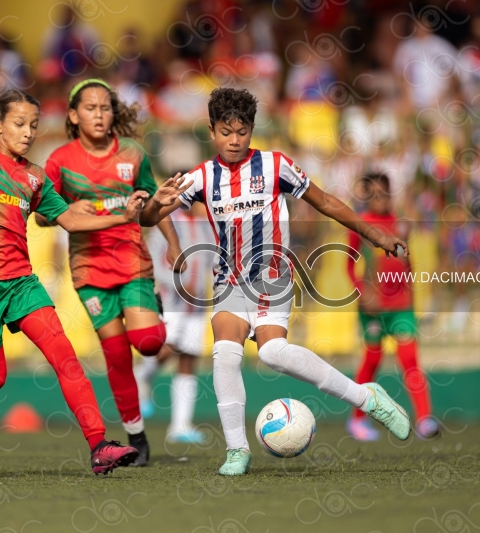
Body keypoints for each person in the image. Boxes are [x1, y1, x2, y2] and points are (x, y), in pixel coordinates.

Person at [140, 88, 412, 476]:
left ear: (252, 130)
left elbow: (325, 201)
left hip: (272, 277)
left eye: (242, 131)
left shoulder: (274, 166)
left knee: (271, 353)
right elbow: (148, 218)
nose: (234, 140)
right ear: (212, 132)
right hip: (229, 281)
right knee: (225, 353)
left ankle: (368, 398)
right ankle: (237, 450)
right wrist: (154, 203)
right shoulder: (201, 177)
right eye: (225, 132)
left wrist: (374, 234)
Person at [0, 89, 146, 475]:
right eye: (19, 124)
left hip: (21, 283)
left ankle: (99, 446)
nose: (28, 132)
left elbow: (72, 220)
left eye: (33, 125)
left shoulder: (34, 177)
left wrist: (123, 217)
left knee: (66, 358)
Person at [38, 79, 184, 466]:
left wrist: (173, 242)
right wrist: (66, 212)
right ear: (73, 115)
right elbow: (39, 215)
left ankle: (154, 310)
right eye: (90, 108)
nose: (99, 115)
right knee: (116, 355)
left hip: (133, 263)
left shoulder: (134, 154)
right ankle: (137, 437)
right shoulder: (60, 161)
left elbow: (154, 204)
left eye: (105, 108)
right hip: (89, 270)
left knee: (150, 342)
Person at [345, 173, 439, 441]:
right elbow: (348, 266)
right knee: (372, 360)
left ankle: (424, 420)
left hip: (401, 306)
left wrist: (409, 295)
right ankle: (357, 420)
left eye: (383, 193)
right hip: (373, 308)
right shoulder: (359, 226)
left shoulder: (401, 225)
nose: (379, 199)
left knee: (409, 358)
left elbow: (406, 262)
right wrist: (363, 293)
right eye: (372, 194)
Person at [135, 203, 214, 444]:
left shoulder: (206, 226)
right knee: (164, 350)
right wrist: (178, 283)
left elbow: (211, 260)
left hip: (197, 304)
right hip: (171, 301)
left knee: (189, 357)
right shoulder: (166, 224)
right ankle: (141, 376)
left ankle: (180, 426)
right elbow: (152, 263)